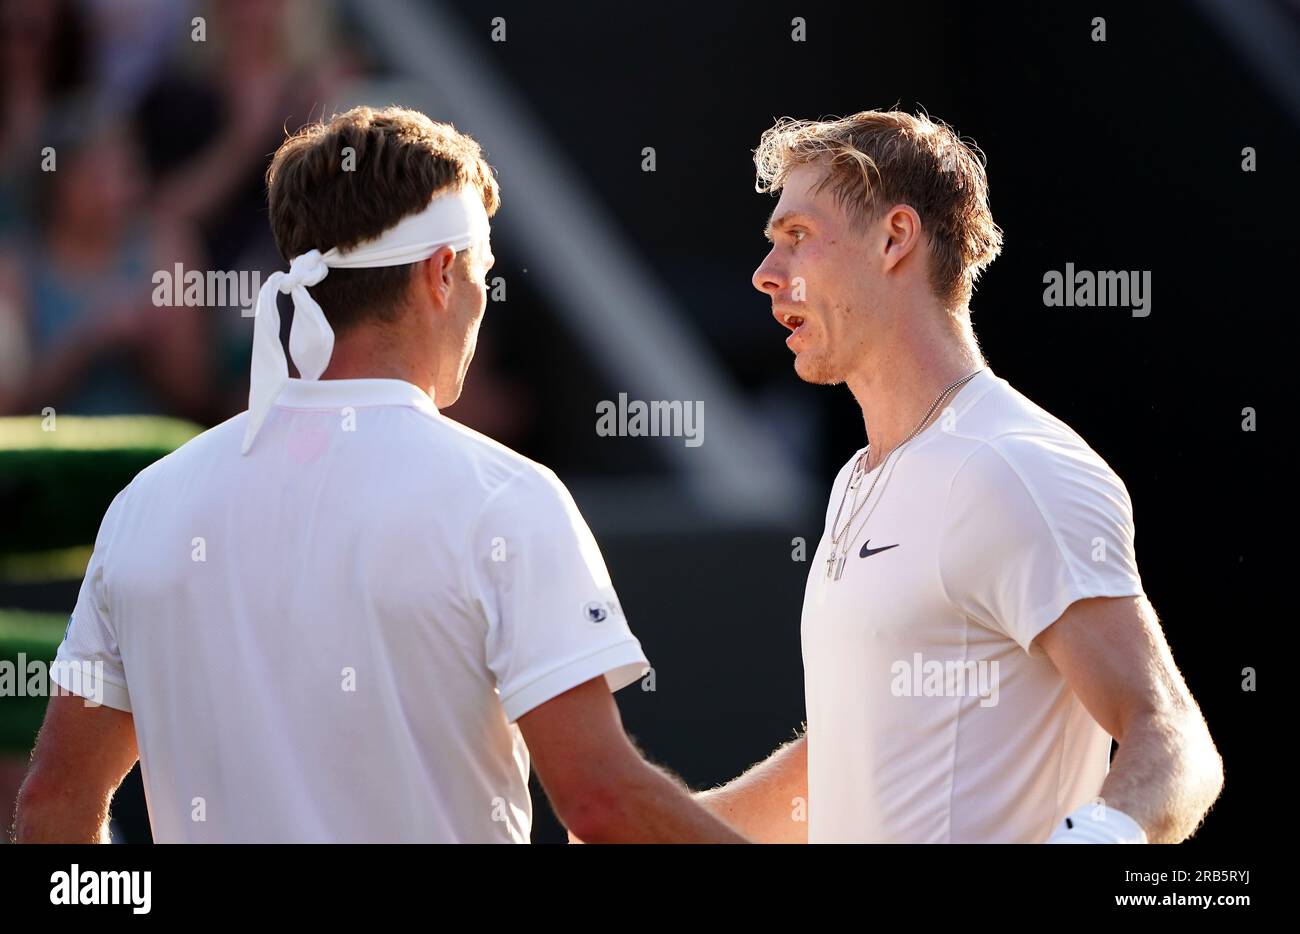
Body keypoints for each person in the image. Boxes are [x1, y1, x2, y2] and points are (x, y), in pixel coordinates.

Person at [13, 105, 744, 844]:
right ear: (441, 273)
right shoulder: (507, 500)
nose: (484, 300)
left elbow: (53, 807)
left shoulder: (147, 504)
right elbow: (600, 802)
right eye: (483, 273)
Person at [696, 110, 1223, 844]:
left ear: (895, 238)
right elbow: (857, 759)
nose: (765, 274)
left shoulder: (1014, 465)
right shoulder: (858, 478)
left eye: (798, 237)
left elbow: (1170, 736)